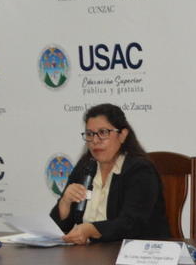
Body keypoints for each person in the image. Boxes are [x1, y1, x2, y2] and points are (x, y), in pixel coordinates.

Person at [51, 103, 169, 244]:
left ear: (122, 135)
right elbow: (59, 229)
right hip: (90, 253)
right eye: (90, 134)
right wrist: (65, 202)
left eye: (103, 133)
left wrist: (91, 229)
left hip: (135, 252)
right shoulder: (85, 166)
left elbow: (131, 224)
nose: (95, 141)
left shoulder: (140, 170)